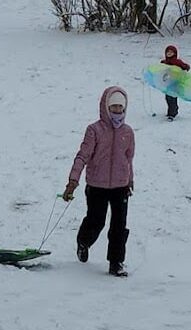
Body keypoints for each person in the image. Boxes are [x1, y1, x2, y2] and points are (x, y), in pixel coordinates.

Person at [62, 86, 135, 277]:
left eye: (120, 107)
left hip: (120, 185)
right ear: (105, 107)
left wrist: (130, 181)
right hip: (97, 185)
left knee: (119, 225)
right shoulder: (94, 130)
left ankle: (116, 262)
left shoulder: (128, 132)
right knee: (96, 220)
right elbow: (82, 156)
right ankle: (83, 242)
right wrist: (73, 181)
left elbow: (129, 159)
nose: (117, 111)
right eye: (113, 107)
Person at [161, 45, 191, 121]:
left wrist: (185, 68)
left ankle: (172, 114)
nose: (169, 53)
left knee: (172, 98)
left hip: (175, 83)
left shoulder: (177, 62)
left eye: (171, 52)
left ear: (175, 53)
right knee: (168, 98)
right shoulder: (164, 62)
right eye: (168, 52)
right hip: (168, 83)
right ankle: (170, 112)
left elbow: (186, 66)